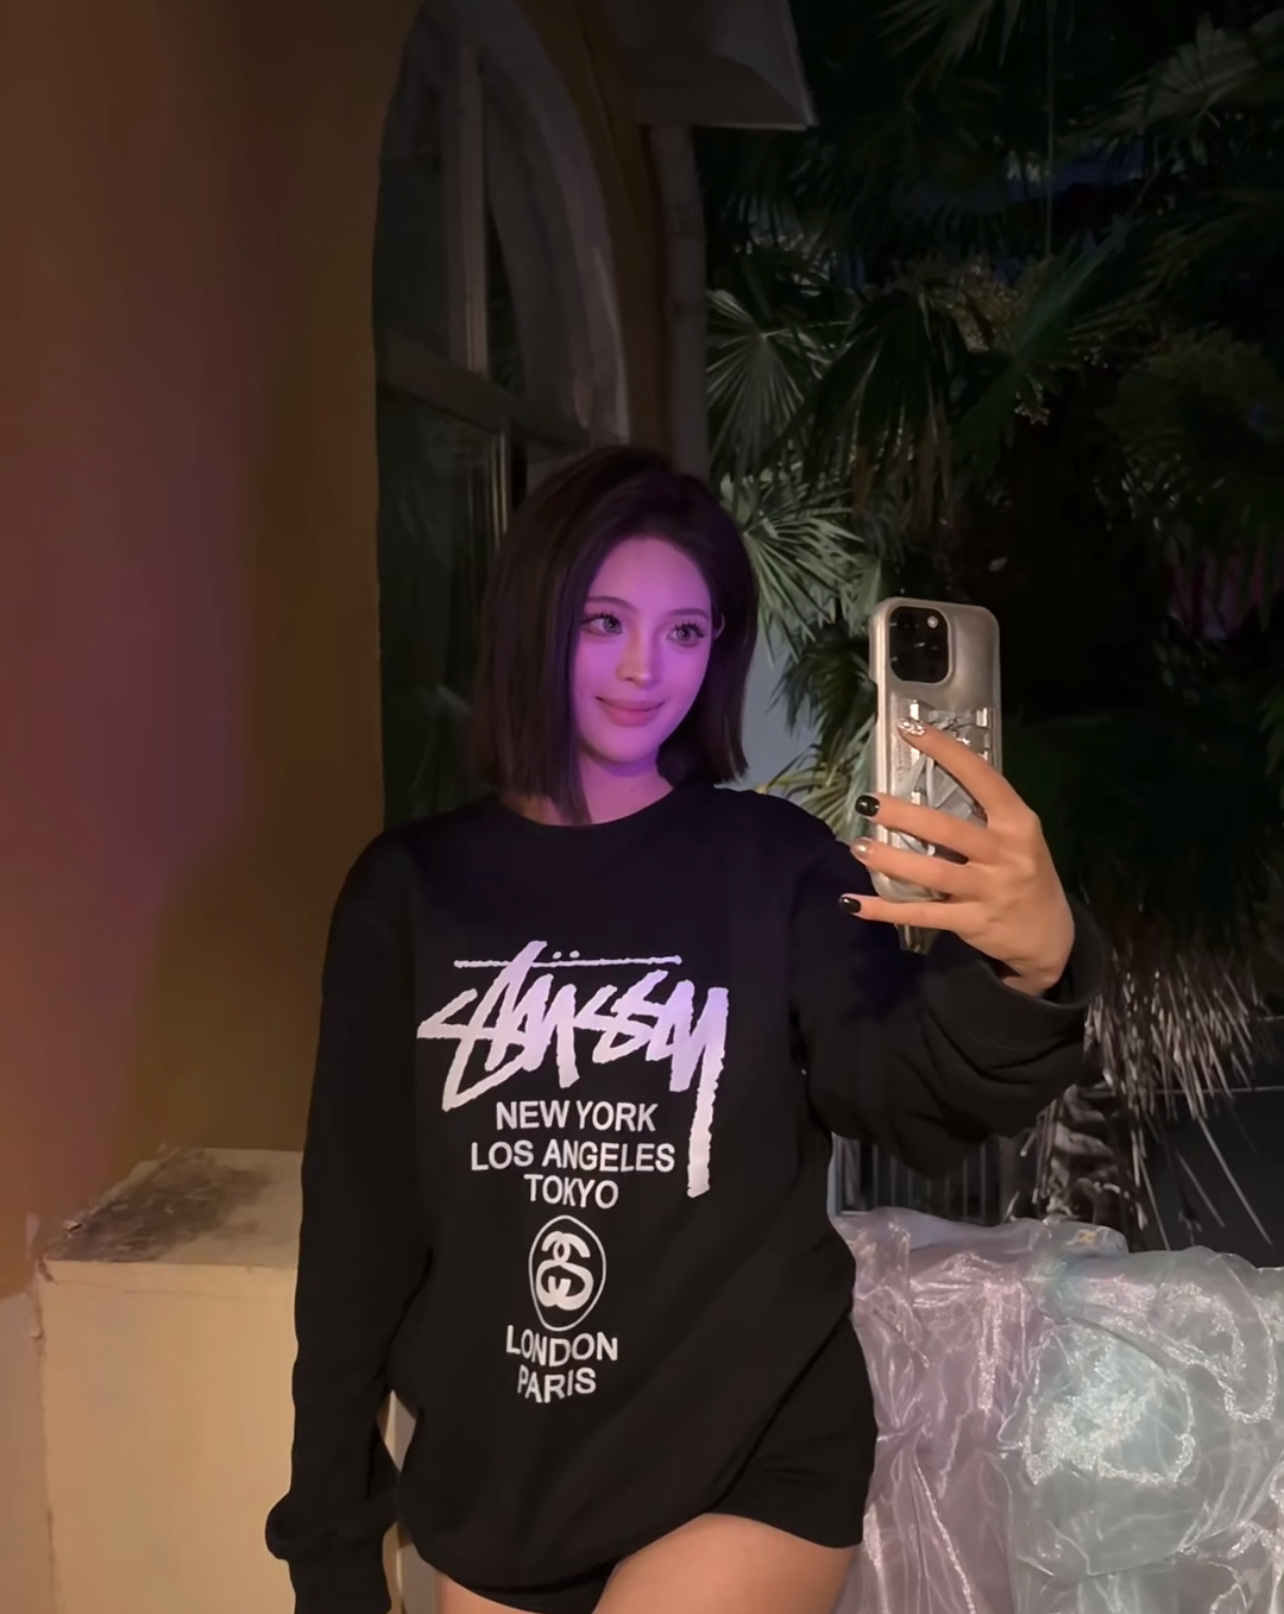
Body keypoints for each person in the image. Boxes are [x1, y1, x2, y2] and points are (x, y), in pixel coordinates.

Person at [266, 446, 1103, 1614]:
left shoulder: (773, 863)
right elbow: (359, 1234)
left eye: (686, 632)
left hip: (748, 1452)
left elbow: (903, 1091)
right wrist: (330, 1536)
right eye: (604, 622)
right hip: (505, 1478)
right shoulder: (408, 893)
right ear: (533, 622)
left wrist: (1031, 962)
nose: (643, 669)